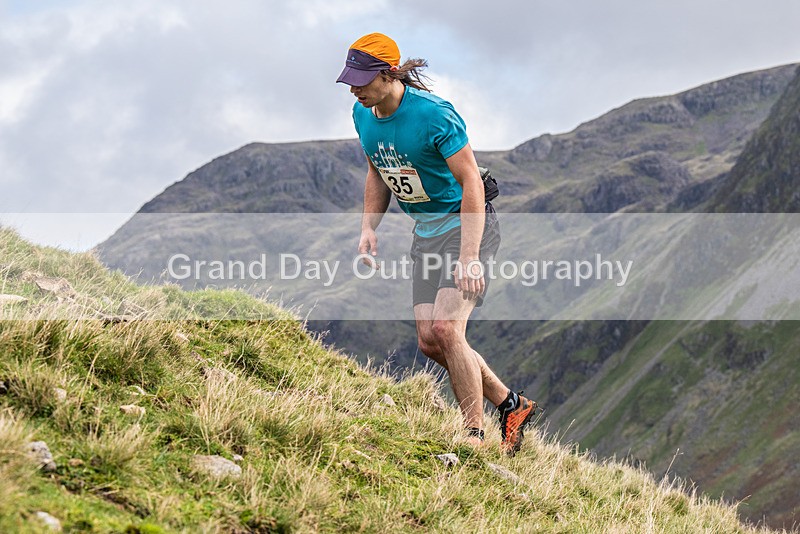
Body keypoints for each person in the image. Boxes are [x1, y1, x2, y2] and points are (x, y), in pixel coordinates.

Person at [336, 32, 536, 455]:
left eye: (361, 78)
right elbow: (378, 170)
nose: (353, 86)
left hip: (464, 230)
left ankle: (472, 435)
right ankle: (511, 404)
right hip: (425, 233)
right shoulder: (363, 114)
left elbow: (471, 185)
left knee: (448, 329)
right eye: (349, 78)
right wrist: (369, 227)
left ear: (388, 74)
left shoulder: (435, 115)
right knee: (430, 341)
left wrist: (469, 258)